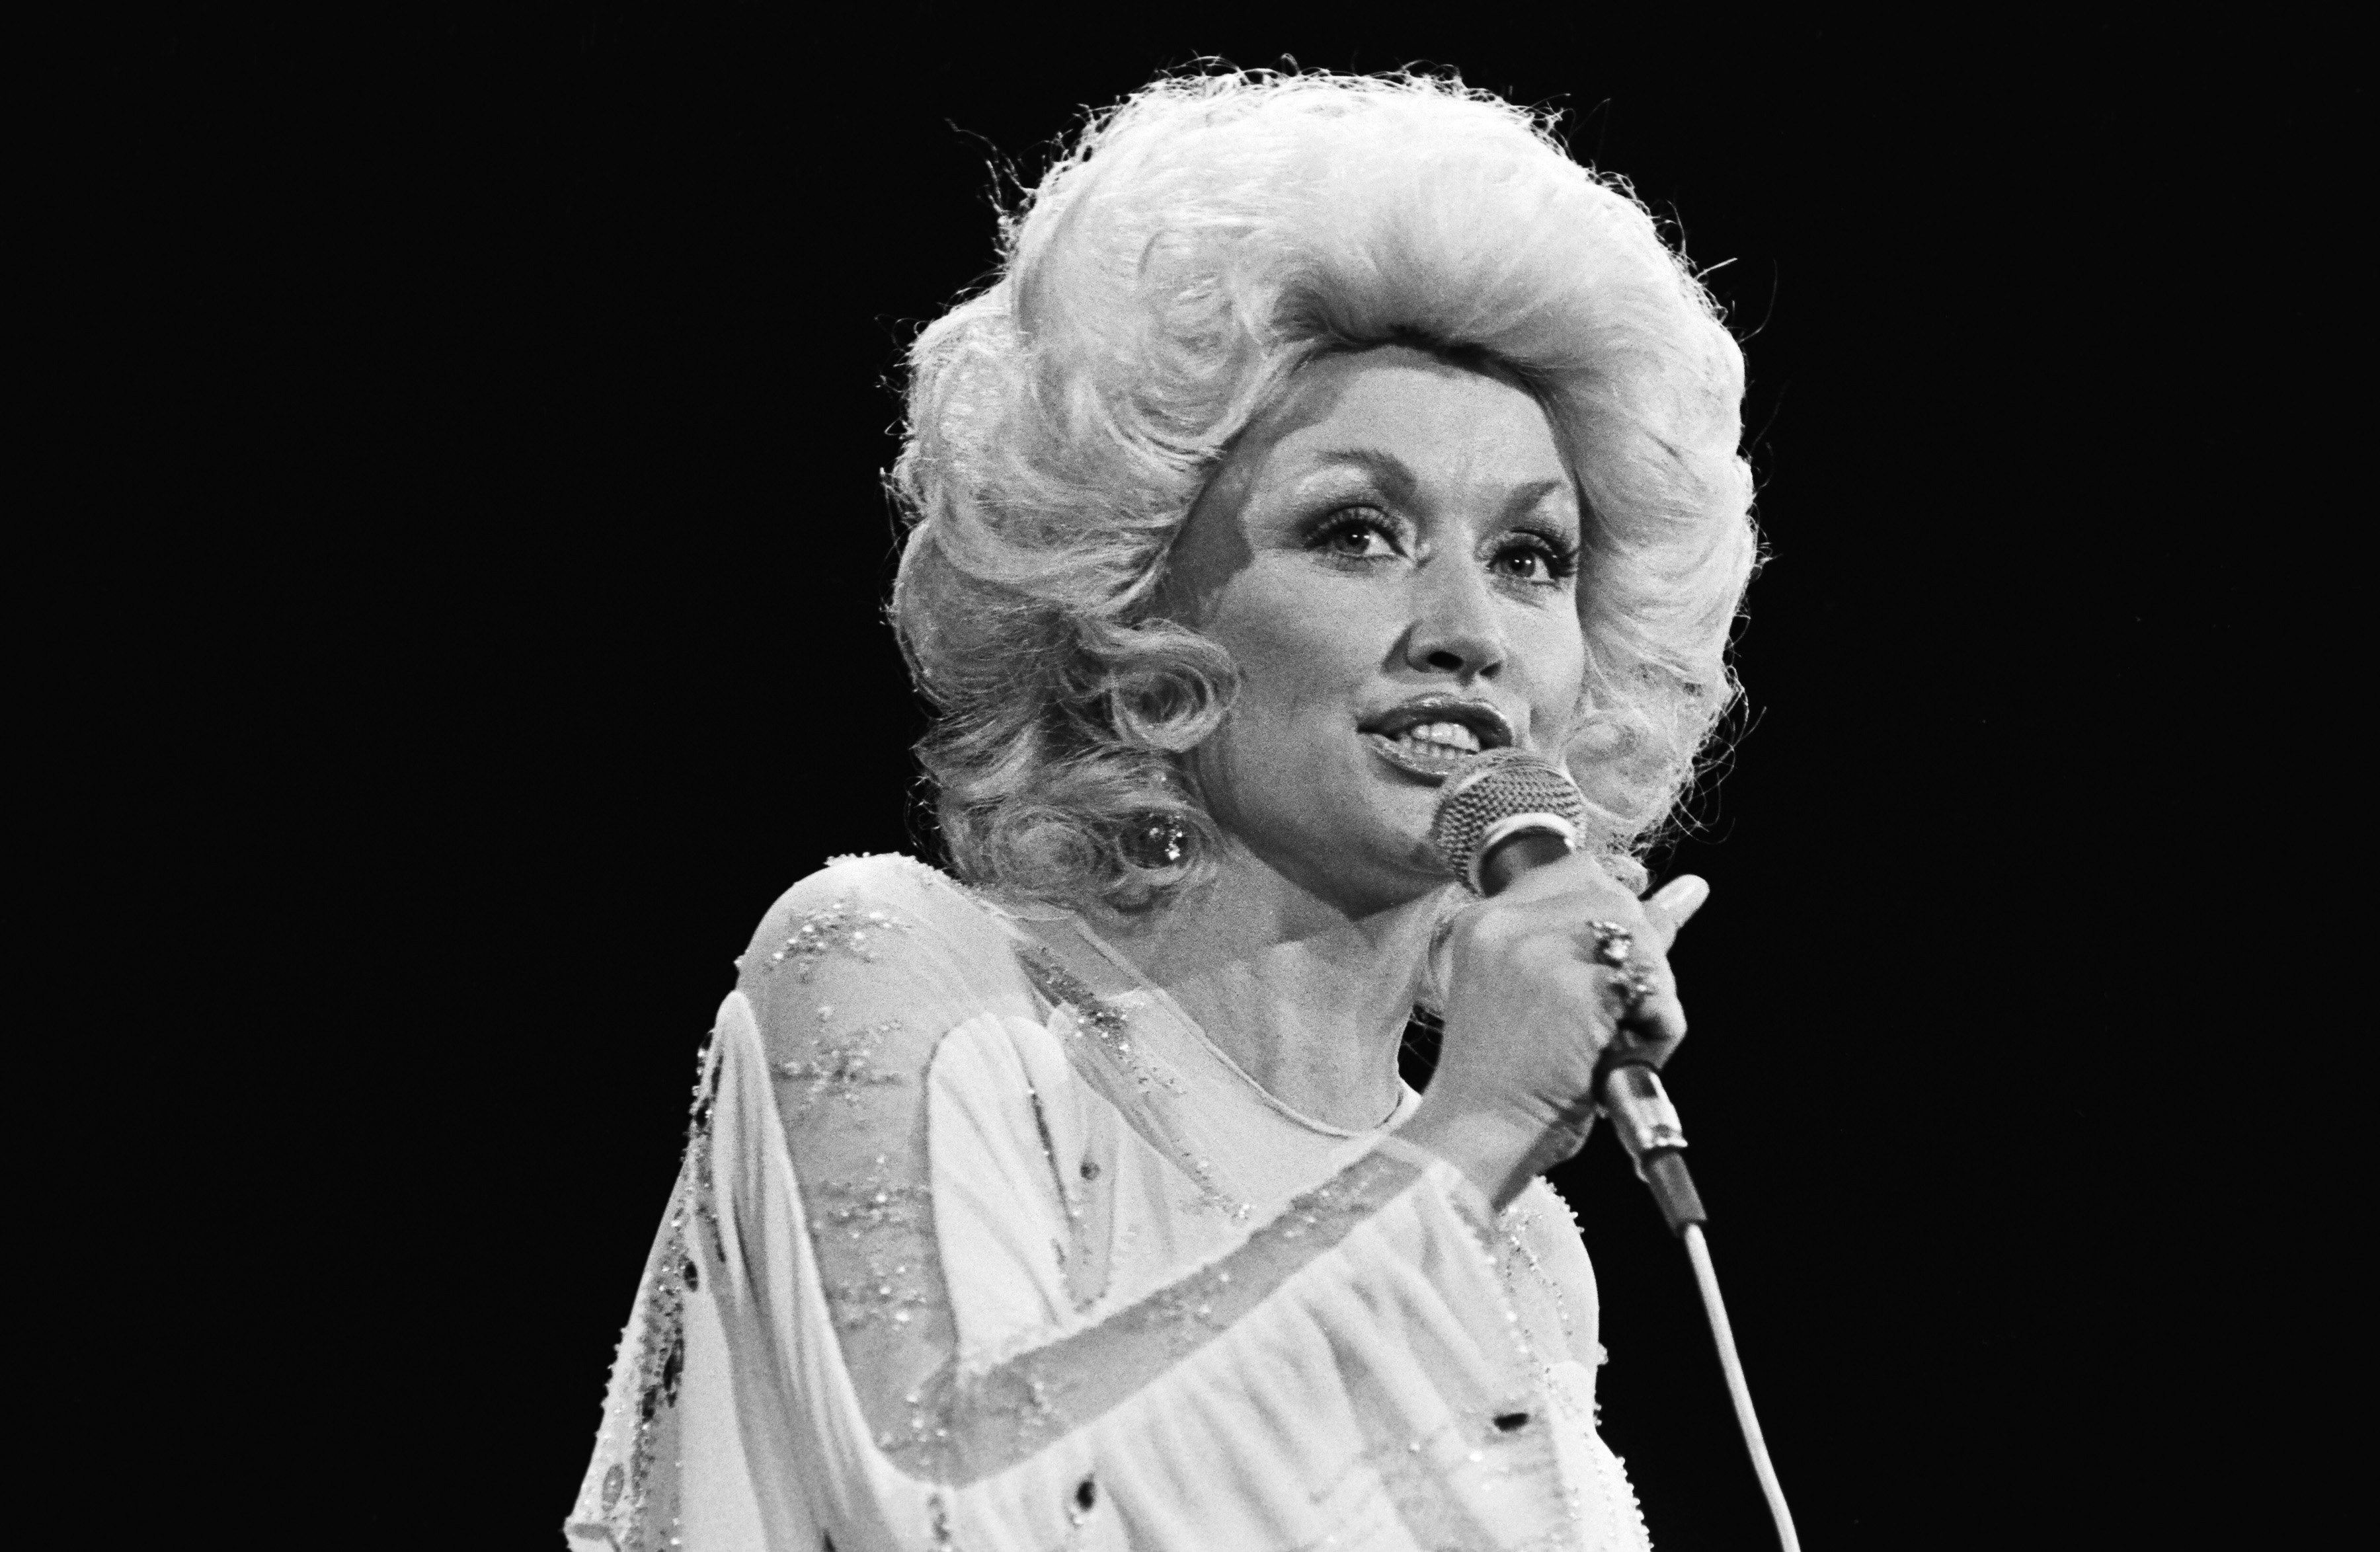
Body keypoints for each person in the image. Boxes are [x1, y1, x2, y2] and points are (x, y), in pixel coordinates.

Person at [567, 69, 1756, 1551]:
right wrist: (1474, 1130)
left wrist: (1465, 1157)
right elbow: (952, 1510)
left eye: (1531, 558)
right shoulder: (909, 979)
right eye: (1358, 531)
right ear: (1142, 611)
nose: (1469, 630)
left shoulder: (1528, 1254)